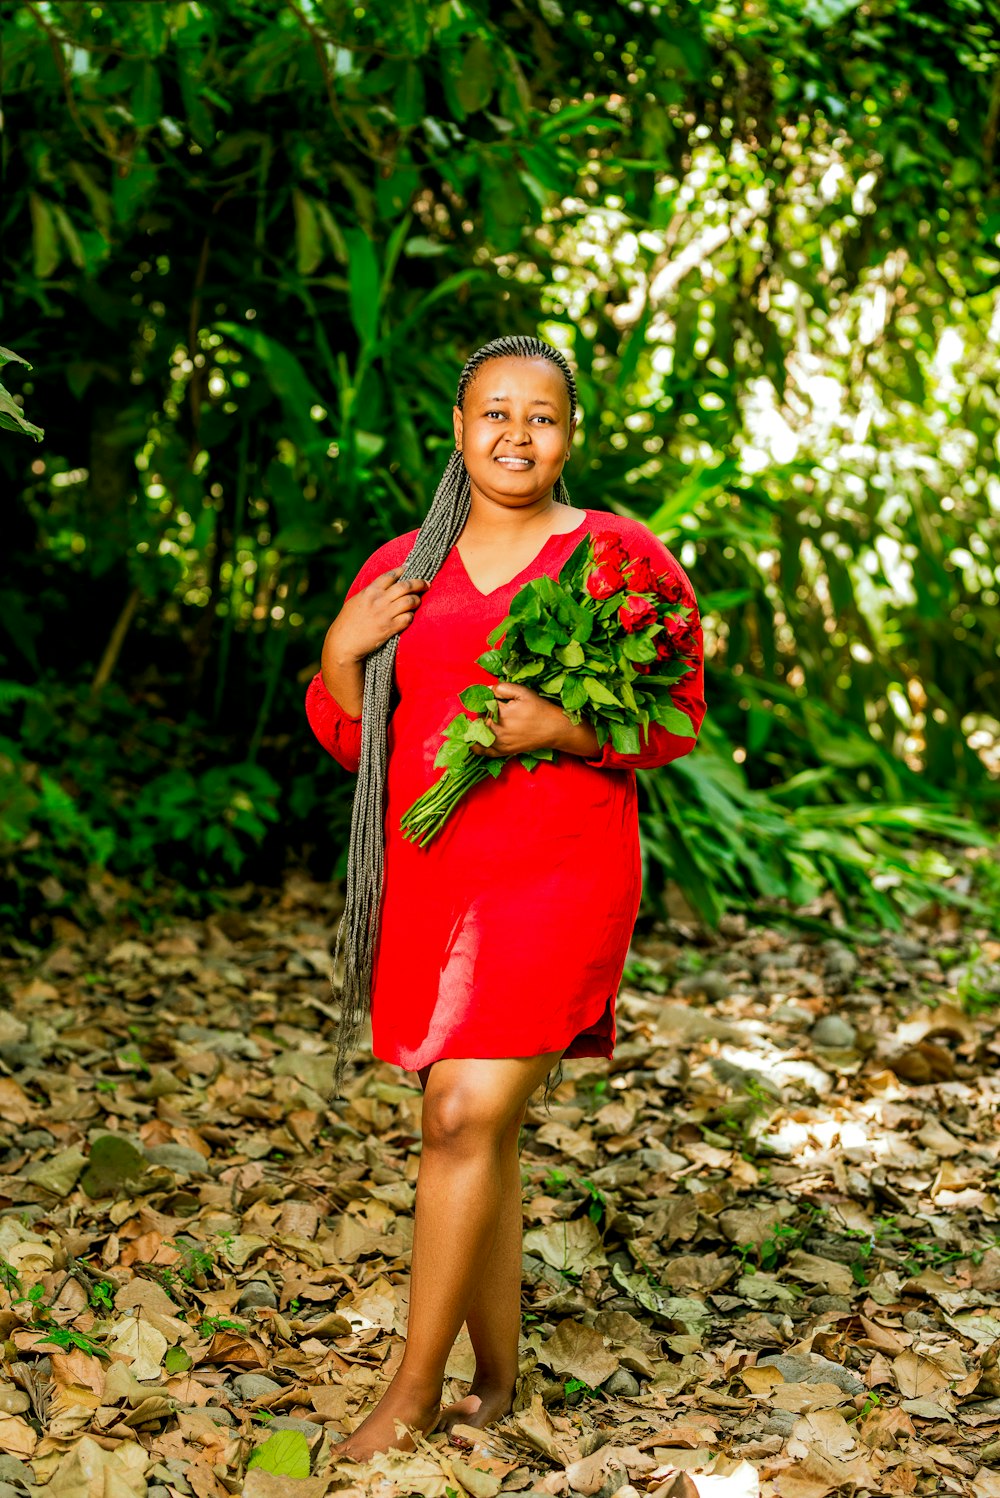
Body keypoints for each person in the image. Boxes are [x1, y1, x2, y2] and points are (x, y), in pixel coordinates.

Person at [304, 335, 706, 1460]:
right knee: (480, 1127)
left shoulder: (618, 558)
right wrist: (342, 653)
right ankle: (497, 1372)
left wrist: (560, 726)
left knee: (461, 1114)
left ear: (569, 437)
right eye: (494, 413)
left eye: (541, 417)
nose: (516, 435)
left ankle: (412, 1392)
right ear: (458, 427)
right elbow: (356, 740)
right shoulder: (406, 566)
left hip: (559, 873)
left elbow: (674, 717)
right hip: (434, 881)